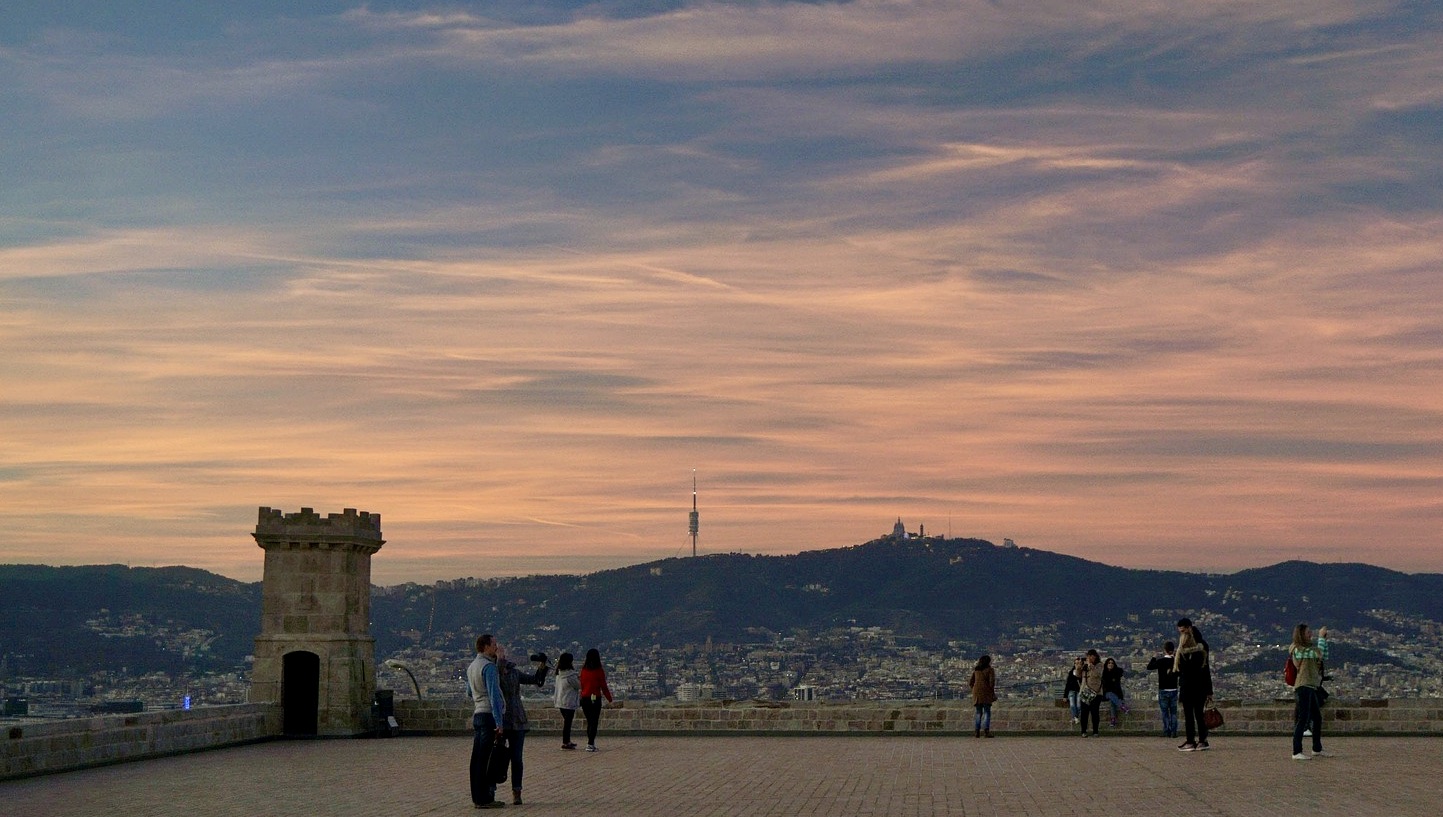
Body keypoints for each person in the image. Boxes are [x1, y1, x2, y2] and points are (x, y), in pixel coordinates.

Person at [497, 645, 550, 805]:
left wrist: (542, 666)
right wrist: (499, 661)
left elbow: (534, 680)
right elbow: (498, 681)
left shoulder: (514, 672)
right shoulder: (492, 671)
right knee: (497, 756)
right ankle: (491, 789)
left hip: (517, 719)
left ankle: (517, 791)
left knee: (517, 759)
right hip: (501, 719)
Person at [466, 633, 506, 809]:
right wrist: (499, 722)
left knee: (477, 758)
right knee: (484, 759)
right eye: (494, 645)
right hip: (488, 714)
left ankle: (477, 796)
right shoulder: (488, 667)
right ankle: (483, 798)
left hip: (477, 714)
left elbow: (469, 692)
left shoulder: (472, 666)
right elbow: (494, 696)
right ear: (486, 646)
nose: (496, 648)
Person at [1289, 623, 1331, 760]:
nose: (1310, 633)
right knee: (1303, 719)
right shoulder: (1296, 649)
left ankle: (1317, 748)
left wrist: (1323, 640)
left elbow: (1323, 655)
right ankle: (1296, 751)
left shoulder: (1309, 649)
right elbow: (1315, 653)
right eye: (1308, 632)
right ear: (1301, 634)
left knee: (1317, 718)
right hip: (1303, 686)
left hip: (1311, 686)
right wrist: (1320, 639)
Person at [1174, 618, 1213, 751]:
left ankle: (1196, 740)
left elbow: (1204, 668)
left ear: (1188, 628)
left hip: (1194, 685)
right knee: (1194, 714)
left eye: (1183, 631)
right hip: (1194, 685)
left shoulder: (1198, 647)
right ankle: (1197, 740)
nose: (1181, 634)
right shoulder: (1197, 647)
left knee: (1194, 714)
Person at [578, 648, 613, 752]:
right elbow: (604, 686)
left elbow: (582, 685)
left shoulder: (583, 670)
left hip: (585, 698)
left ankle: (590, 742)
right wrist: (610, 699)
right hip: (595, 698)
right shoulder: (599, 671)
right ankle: (590, 743)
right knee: (594, 722)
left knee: (590, 721)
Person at [1146, 640, 1180, 738]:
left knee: (1165, 712)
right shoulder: (1176, 661)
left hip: (1163, 689)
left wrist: (1153, 657)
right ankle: (1174, 732)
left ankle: (1166, 731)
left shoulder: (1161, 661)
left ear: (1164, 650)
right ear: (1173, 650)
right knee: (1173, 712)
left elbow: (1149, 667)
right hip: (1173, 689)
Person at [553, 652, 580, 750]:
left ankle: (567, 741)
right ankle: (566, 742)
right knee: (568, 723)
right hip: (569, 702)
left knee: (567, 723)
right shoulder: (570, 675)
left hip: (560, 701)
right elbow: (578, 686)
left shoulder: (559, 674)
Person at [968, 654, 998, 738]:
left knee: (978, 712)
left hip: (976, 692)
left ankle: (977, 731)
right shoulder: (990, 670)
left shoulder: (976, 670)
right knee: (987, 712)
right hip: (986, 693)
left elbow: (971, 682)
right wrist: (992, 693)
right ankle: (986, 731)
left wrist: (975, 689)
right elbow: (991, 683)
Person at [1078, 649, 1104, 737]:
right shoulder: (1085, 666)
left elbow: (1097, 675)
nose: (1089, 658)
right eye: (1088, 656)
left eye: (1091, 656)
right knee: (1084, 713)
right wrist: (1078, 667)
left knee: (1095, 712)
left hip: (1096, 692)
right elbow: (1078, 676)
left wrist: (1091, 666)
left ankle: (1095, 731)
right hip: (1085, 691)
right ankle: (1083, 731)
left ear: (1095, 657)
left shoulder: (1099, 665)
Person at [1101, 657, 1129, 726]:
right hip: (1105, 693)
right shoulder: (1103, 673)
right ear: (1106, 664)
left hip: (1115, 694)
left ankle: (1113, 720)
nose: (1110, 664)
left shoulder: (1116, 673)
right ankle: (1122, 706)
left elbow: (1118, 686)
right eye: (1109, 663)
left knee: (1112, 702)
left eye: (1112, 663)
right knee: (1110, 694)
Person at [1063, 656, 1084, 726]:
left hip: (1079, 691)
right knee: (1072, 704)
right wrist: (1065, 696)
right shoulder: (1071, 672)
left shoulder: (1083, 673)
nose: (1077, 665)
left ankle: (1074, 717)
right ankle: (1076, 717)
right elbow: (1068, 685)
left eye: (1079, 663)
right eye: (1076, 663)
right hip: (1071, 691)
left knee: (1078, 705)